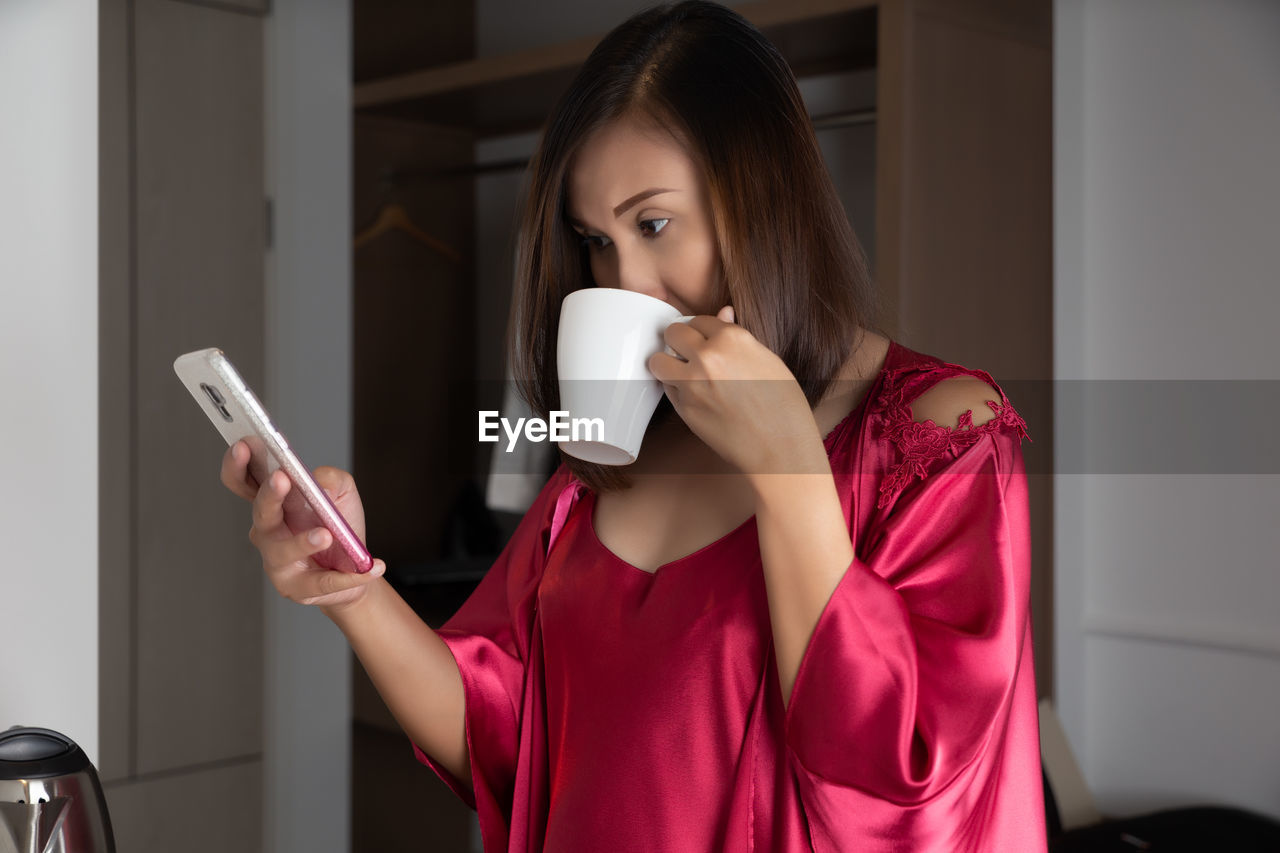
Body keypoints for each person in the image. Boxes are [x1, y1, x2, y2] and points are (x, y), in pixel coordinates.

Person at [221, 2, 1046, 850]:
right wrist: (349, 584)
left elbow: (907, 780)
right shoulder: (612, 448)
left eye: (653, 224)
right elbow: (504, 735)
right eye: (595, 241)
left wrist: (788, 467)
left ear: (764, 196)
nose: (625, 281)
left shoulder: (937, 433)